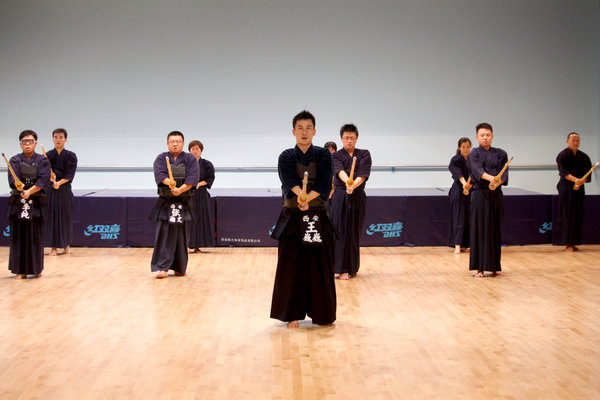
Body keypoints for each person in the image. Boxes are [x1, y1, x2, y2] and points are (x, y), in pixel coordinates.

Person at [270, 110, 336, 327]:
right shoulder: (286, 156)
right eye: (300, 128)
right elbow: (288, 180)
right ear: (293, 131)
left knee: (319, 266)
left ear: (315, 131)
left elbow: (326, 183)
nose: (304, 132)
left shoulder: (324, 155)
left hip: (317, 216)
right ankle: (292, 314)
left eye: (308, 128)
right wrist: (301, 195)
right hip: (292, 217)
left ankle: (322, 314)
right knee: (291, 266)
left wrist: (309, 199)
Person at [150, 131, 199, 279]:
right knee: (164, 235)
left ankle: (180, 267)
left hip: (184, 203)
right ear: (167, 143)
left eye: (178, 141)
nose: (175, 144)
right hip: (166, 203)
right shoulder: (161, 158)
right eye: (172, 141)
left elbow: (193, 177)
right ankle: (162, 268)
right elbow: (159, 174)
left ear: (183, 143)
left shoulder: (190, 158)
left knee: (182, 237)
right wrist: (169, 182)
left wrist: (181, 189)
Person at [6, 130, 51, 279]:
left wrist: (30, 191)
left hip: (37, 202)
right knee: (18, 236)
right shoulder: (14, 160)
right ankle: (20, 270)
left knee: (36, 236)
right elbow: (14, 179)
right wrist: (20, 187)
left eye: (30, 141)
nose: (27, 144)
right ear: (20, 144)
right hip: (18, 202)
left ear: (35, 143)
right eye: (24, 141)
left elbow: (43, 179)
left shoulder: (43, 160)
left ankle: (36, 268)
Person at [330, 124, 372, 280]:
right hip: (340, 195)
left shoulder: (364, 154)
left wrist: (353, 186)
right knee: (339, 231)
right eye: (346, 138)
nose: (349, 141)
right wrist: (347, 182)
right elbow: (339, 171)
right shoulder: (336, 156)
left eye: (352, 138)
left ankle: (352, 267)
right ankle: (340, 268)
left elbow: (362, 175)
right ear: (341, 138)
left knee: (354, 231)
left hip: (357, 195)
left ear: (356, 138)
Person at [467, 123, 508, 278]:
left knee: (494, 229)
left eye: (488, 134)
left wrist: (497, 182)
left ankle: (494, 266)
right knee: (479, 229)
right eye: (482, 135)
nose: (485, 137)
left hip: (496, 194)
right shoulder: (474, 153)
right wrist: (492, 179)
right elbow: (478, 171)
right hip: (480, 195)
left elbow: (503, 174)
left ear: (492, 136)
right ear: (477, 137)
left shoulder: (501, 153)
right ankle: (479, 268)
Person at [554, 132, 593, 252]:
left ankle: (574, 242)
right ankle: (567, 243)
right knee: (567, 214)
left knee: (577, 214)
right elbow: (563, 172)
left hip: (579, 189)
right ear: (567, 141)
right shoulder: (562, 155)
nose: (576, 142)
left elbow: (588, 175)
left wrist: (580, 182)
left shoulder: (584, 157)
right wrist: (576, 180)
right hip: (566, 188)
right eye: (573, 140)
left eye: (578, 140)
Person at [45, 128, 78, 256]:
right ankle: (53, 248)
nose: (58, 139)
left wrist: (59, 182)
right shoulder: (47, 155)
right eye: (55, 137)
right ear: (53, 139)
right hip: (51, 190)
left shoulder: (71, 156)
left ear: (65, 139)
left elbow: (70, 174)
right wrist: (51, 179)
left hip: (64, 189)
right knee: (51, 218)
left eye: (60, 137)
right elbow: (43, 172)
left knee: (65, 217)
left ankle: (66, 245)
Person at [188, 140, 216, 253]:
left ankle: (197, 246)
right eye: (193, 149)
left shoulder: (206, 164)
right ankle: (186, 245)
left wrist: (199, 183)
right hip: (187, 194)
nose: (195, 151)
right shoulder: (184, 163)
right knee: (188, 219)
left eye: (197, 149)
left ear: (201, 150)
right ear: (189, 151)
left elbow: (210, 178)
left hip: (201, 194)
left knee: (199, 220)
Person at [448, 137, 472, 254]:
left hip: (471, 190)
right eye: (463, 147)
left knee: (469, 217)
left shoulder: (473, 160)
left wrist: (469, 186)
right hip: (459, 190)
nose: (466, 149)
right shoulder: (456, 159)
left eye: (468, 147)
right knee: (459, 217)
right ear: (459, 148)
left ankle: (466, 243)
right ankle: (457, 244)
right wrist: (464, 185)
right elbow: (457, 173)